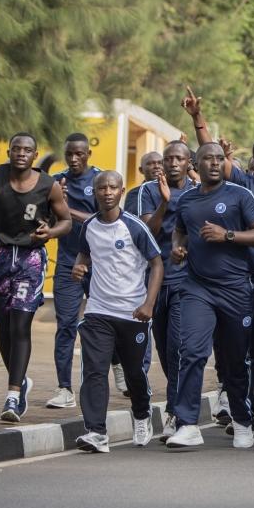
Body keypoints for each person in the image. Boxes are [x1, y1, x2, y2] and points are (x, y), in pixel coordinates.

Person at [166, 143, 254, 449]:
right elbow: (180, 231)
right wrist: (177, 247)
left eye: (218, 159)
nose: (214, 163)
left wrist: (227, 235)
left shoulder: (240, 194)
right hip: (197, 287)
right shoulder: (186, 200)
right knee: (192, 352)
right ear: (194, 165)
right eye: (207, 159)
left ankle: (242, 419)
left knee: (234, 360)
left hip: (236, 288)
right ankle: (187, 423)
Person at [0, 134, 72, 421]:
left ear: (34, 154)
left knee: (20, 324)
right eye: (16, 148)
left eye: (27, 150)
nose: (21, 153)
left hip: (30, 258)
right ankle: (22, 381)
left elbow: (65, 221)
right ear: (9, 151)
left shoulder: (48, 186)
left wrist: (51, 233)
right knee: (3, 328)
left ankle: (13, 396)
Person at [72, 171, 163, 453]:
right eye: (102, 188)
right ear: (95, 192)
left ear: (121, 191)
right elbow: (85, 252)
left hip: (132, 313)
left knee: (133, 372)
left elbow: (157, 264)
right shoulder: (88, 226)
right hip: (99, 310)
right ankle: (97, 432)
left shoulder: (134, 227)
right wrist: (79, 265)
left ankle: (141, 413)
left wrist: (148, 304)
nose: (107, 192)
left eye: (113, 187)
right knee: (95, 371)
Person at [138, 140, 197, 438]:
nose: (172, 163)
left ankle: (176, 412)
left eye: (179, 158)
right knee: (163, 347)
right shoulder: (149, 191)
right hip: (156, 278)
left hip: (187, 279)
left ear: (188, 162)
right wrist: (164, 202)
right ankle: (178, 407)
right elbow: (149, 231)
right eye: (168, 158)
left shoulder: (197, 191)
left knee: (178, 346)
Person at [47, 133, 101, 409]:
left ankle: (115, 365)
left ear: (88, 154)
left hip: (100, 264)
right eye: (69, 154)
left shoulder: (101, 180)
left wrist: (68, 208)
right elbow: (48, 219)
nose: (74, 159)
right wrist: (56, 204)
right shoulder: (57, 181)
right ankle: (64, 388)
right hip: (68, 263)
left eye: (79, 154)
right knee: (65, 325)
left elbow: (103, 218)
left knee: (105, 325)